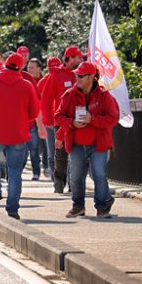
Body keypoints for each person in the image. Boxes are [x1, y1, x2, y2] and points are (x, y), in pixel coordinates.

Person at [0, 53, 39, 220]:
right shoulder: (26, 85)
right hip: (18, 132)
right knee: (15, 171)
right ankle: (12, 208)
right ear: (20, 67)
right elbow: (34, 112)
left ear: (5, 64)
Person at [54, 61, 119, 218]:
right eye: (76, 75)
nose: (77, 77)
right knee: (75, 176)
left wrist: (92, 119)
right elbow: (58, 116)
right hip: (76, 143)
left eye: (81, 75)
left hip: (99, 144)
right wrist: (71, 123)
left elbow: (113, 118)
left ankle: (102, 207)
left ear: (91, 77)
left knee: (99, 174)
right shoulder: (69, 95)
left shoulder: (105, 96)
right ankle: (78, 206)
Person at [39, 48, 80, 192]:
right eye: (77, 58)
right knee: (60, 155)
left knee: (76, 153)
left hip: (79, 121)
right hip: (61, 121)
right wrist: (47, 119)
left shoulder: (81, 74)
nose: (80, 60)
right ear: (69, 58)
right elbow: (47, 98)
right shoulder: (56, 75)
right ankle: (58, 181)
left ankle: (73, 184)